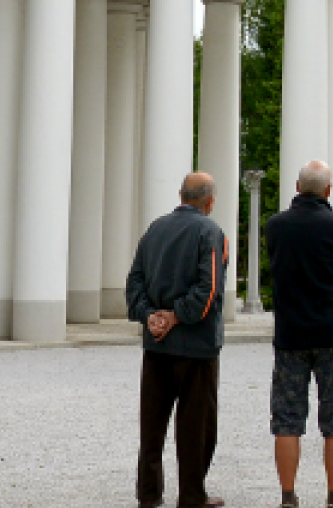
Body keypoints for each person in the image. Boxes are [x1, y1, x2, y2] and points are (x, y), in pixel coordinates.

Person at [125, 172, 230, 508]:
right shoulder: (210, 232)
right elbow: (208, 289)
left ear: (181, 195)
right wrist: (176, 316)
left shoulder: (155, 229)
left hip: (156, 345)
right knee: (196, 426)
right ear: (210, 201)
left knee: (152, 424)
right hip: (196, 346)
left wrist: (149, 315)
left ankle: (149, 493)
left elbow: (134, 281)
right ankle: (191, 495)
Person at [265, 161, 333, 508]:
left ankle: (288, 496)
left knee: (287, 419)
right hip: (332, 333)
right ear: (328, 191)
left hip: (291, 333)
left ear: (296, 186)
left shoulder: (276, 226)